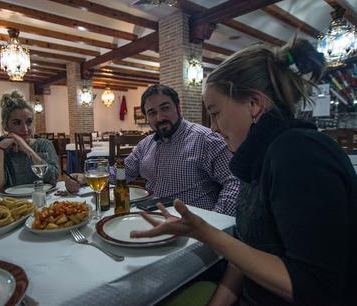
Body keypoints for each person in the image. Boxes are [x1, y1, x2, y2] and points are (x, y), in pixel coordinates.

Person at [130, 38, 357, 305]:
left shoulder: (299, 153)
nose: (213, 128)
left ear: (253, 104)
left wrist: (205, 231)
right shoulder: (257, 157)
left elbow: (316, 288)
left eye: (215, 113)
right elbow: (248, 250)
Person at [65, 84, 240, 216]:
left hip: (191, 224)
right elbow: (122, 172)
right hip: (150, 216)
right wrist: (84, 177)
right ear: (147, 117)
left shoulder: (205, 139)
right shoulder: (145, 145)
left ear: (178, 108)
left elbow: (235, 182)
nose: (160, 117)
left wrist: (215, 223)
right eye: (152, 112)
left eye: (165, 108)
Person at [0, 91, 59, 192]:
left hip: (43, 202)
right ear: (5, 125)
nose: (25, 129)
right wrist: (0, 149)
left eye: (29, 122)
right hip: (11, 205)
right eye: (17, 123)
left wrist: (28, 150)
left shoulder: (44, 145)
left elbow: (54, 178)